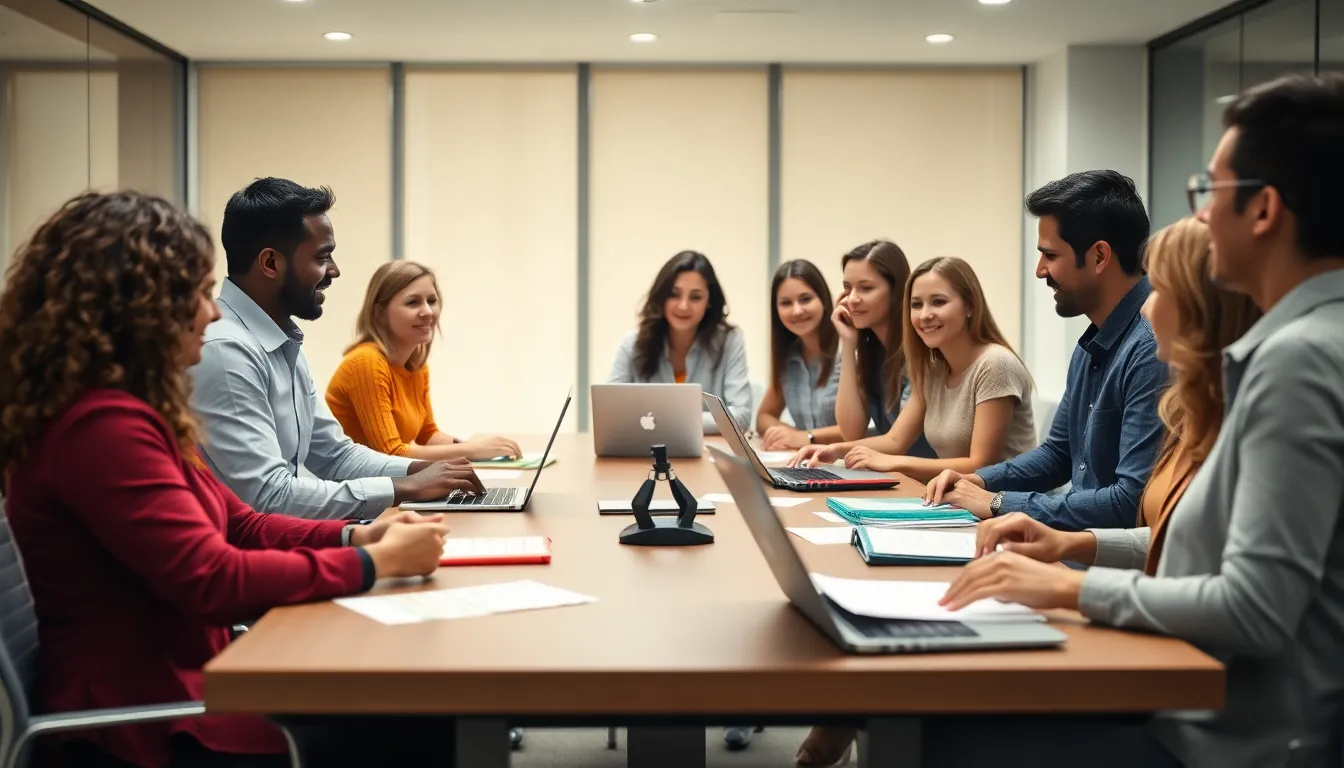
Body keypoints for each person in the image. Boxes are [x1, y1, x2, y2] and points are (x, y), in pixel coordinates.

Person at [930, 72, 1344, 768]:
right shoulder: (1302, 342)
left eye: (1208, 191)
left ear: (1265, 209)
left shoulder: (1298, 359)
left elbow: (1255, 608)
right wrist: (1071, 547)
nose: (1199, 217)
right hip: (1205, 702)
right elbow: (1196, 542)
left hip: (1227, 737)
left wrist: (1068, 585)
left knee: (948, 733)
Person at [0, 191, 453, 767]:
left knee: (410, 708)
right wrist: (374, 565)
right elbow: (211, 578)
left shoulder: (136, 410)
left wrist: (355, 538)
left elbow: (240, 522)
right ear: (139, 308)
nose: (212, 312)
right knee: (418, 722)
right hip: (148, 726)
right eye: (193, 294)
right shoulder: (101, 428)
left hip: (193, 680)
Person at [190, 178, 483, 521]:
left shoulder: (280, 341)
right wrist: (404, 487)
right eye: (322, 257)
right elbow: (268, 495)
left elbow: (335, 455)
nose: (334, 271)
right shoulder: (226, 351)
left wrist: (422, 470)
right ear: (270, 263)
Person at [925, 170, 1166, 531]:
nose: (1040, 271)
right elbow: (1058, 455)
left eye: (1050, 255)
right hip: (1072, 551)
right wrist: (982, 480)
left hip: (1102, 568)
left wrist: (998, 502)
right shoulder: (1093, 343)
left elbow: (1129, 501)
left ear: (1099, 256)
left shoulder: (1152, 347)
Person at [789, 256, 1035, 484]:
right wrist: (835, 450)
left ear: (970, 306)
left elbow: (981, 464)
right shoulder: (934, 369)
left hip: (1011, 509)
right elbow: (895, 440)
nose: (925, 315)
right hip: (962, 503)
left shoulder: (995, 364)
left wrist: (892, 463)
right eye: (916, 305)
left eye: (938, 302)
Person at [1131, 217, 1259, 572]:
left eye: (1158, 290)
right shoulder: (1192, 403)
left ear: (1200, 307)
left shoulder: (1248, 409)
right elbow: (1175, 539)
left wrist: (1070, 588)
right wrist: (1072, 542)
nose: (1145, 308)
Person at [326, 260, 523, 462]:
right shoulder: (366, 362)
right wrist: (472, 450)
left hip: (391, 486)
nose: (428, 312)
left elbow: (427, 435)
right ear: (379, 313)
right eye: (413, 302)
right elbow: (390, 454)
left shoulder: (416, 366)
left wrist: (482, 449)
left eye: (432, 301)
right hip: (355, 490)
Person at [607, 250, 752, 435]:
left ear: (709, 301)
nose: (683, 306)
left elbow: (741, 416)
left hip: (705, 456)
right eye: (674, 294)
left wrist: (664, 420)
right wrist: (689, 421)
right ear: (661, 298)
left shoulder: (729, 340)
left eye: (695, 297)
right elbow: (610, 410)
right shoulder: (633, 342)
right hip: (644, 452)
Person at [830, 240, 936, 458]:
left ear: (896, 292)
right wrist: (848, 344)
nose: (852, 299)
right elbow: (851, 432)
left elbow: (898, 443)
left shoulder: (923, 350)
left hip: (928, 481)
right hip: (900, 478)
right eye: (847, 289)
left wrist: (831, 450)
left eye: (866, 288)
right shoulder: (872, 352)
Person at [755, 259, 843, 450]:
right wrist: (787, 435)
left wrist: (807, 437)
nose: (796, 310)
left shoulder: (849, 350)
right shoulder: (789, 356)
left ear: (824, 299)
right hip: (810, 464)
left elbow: (862, 430)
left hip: (852, 463)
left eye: (805, 299)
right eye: (786, 303)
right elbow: (763, 417)